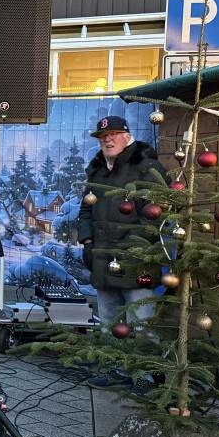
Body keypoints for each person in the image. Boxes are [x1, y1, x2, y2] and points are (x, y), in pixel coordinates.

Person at [79, 115, 167, 386]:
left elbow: (155, 215)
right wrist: (87, 242)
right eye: (103, 136)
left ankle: (145, 376)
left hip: (136, 260)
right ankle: (112, 370)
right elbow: (86, 210)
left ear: (126, 136)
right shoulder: (97, 170)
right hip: (102, 258)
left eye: (114, 134)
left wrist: (132, 247)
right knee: (108, 319)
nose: (107, 139)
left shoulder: (145, 167)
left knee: (141, 321)